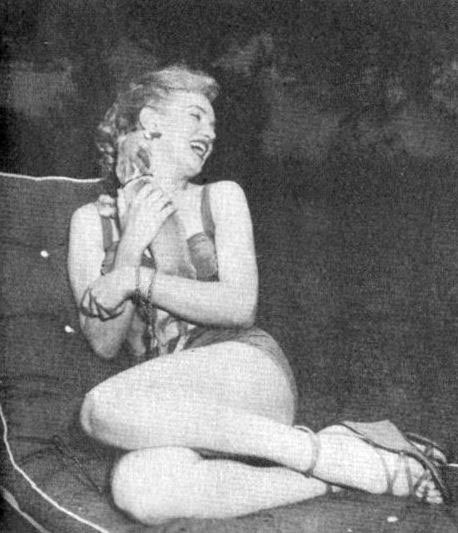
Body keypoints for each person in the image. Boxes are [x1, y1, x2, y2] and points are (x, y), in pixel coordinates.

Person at [68, 65, 448, 525]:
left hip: (246, 372)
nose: (209, 133)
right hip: (169, 406)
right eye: (195, 116)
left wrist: (134, 280)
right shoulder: (90, 222)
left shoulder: (221, 196)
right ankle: (342, 467)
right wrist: (131, 241)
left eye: (213, 124)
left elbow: (238, 305)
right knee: (141, 491)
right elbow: (103, 343)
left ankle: (314, 452)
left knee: (100, 407)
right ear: (151, 121)